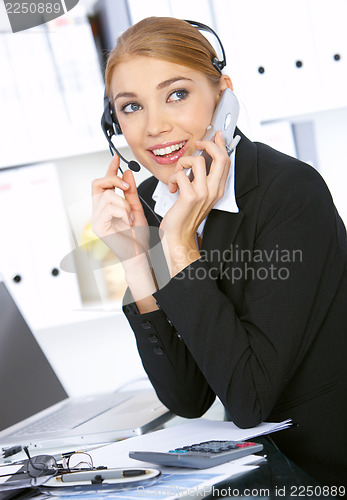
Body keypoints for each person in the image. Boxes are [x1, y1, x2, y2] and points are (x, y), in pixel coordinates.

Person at [91, 17, 347, 487]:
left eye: (176, 94)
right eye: (131, 107)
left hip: (327, 470)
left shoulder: (289, 193)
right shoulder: (151, 203)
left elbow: (249, 398)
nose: (154, 127)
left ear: (223, 95)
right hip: (253, 471)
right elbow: (187, 396)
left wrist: (178, 244)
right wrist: (136, 257)